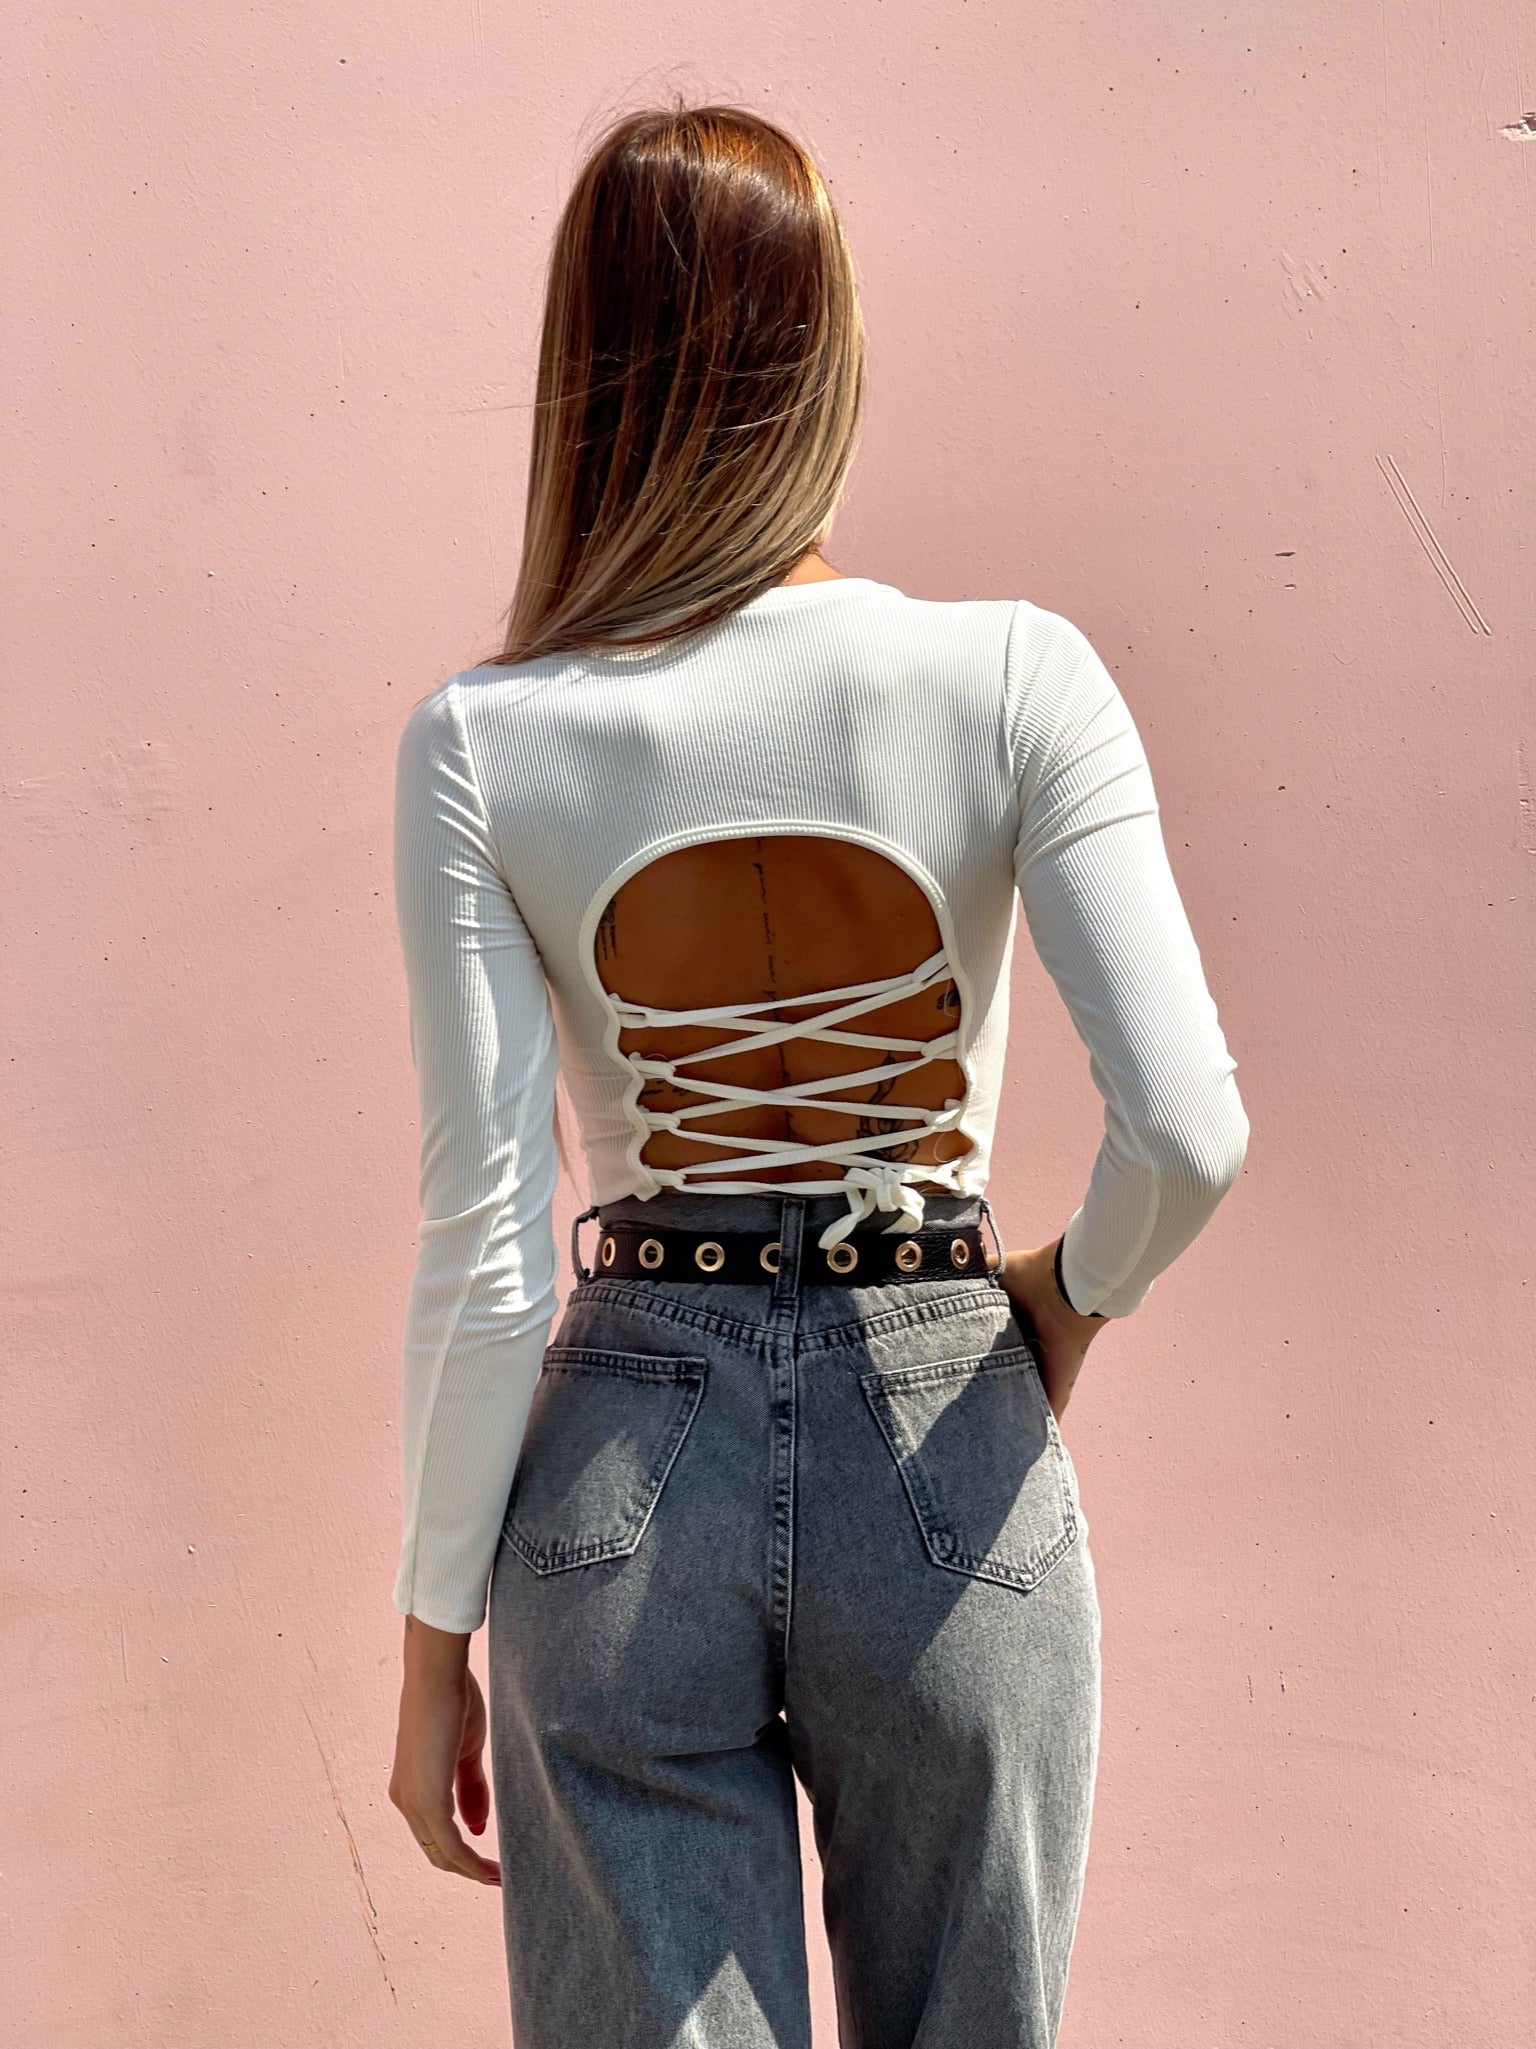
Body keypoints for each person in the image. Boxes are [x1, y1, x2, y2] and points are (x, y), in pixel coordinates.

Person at [386, 101, 1249, 2049]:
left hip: (627, 1456)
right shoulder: (1018, 675)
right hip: (943, 1420)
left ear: (588, 371)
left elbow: (489, 1250)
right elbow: (1188, 1128)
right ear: (833, 358)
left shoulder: (484, 741)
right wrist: (1059, 1302)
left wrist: (434, 1632)